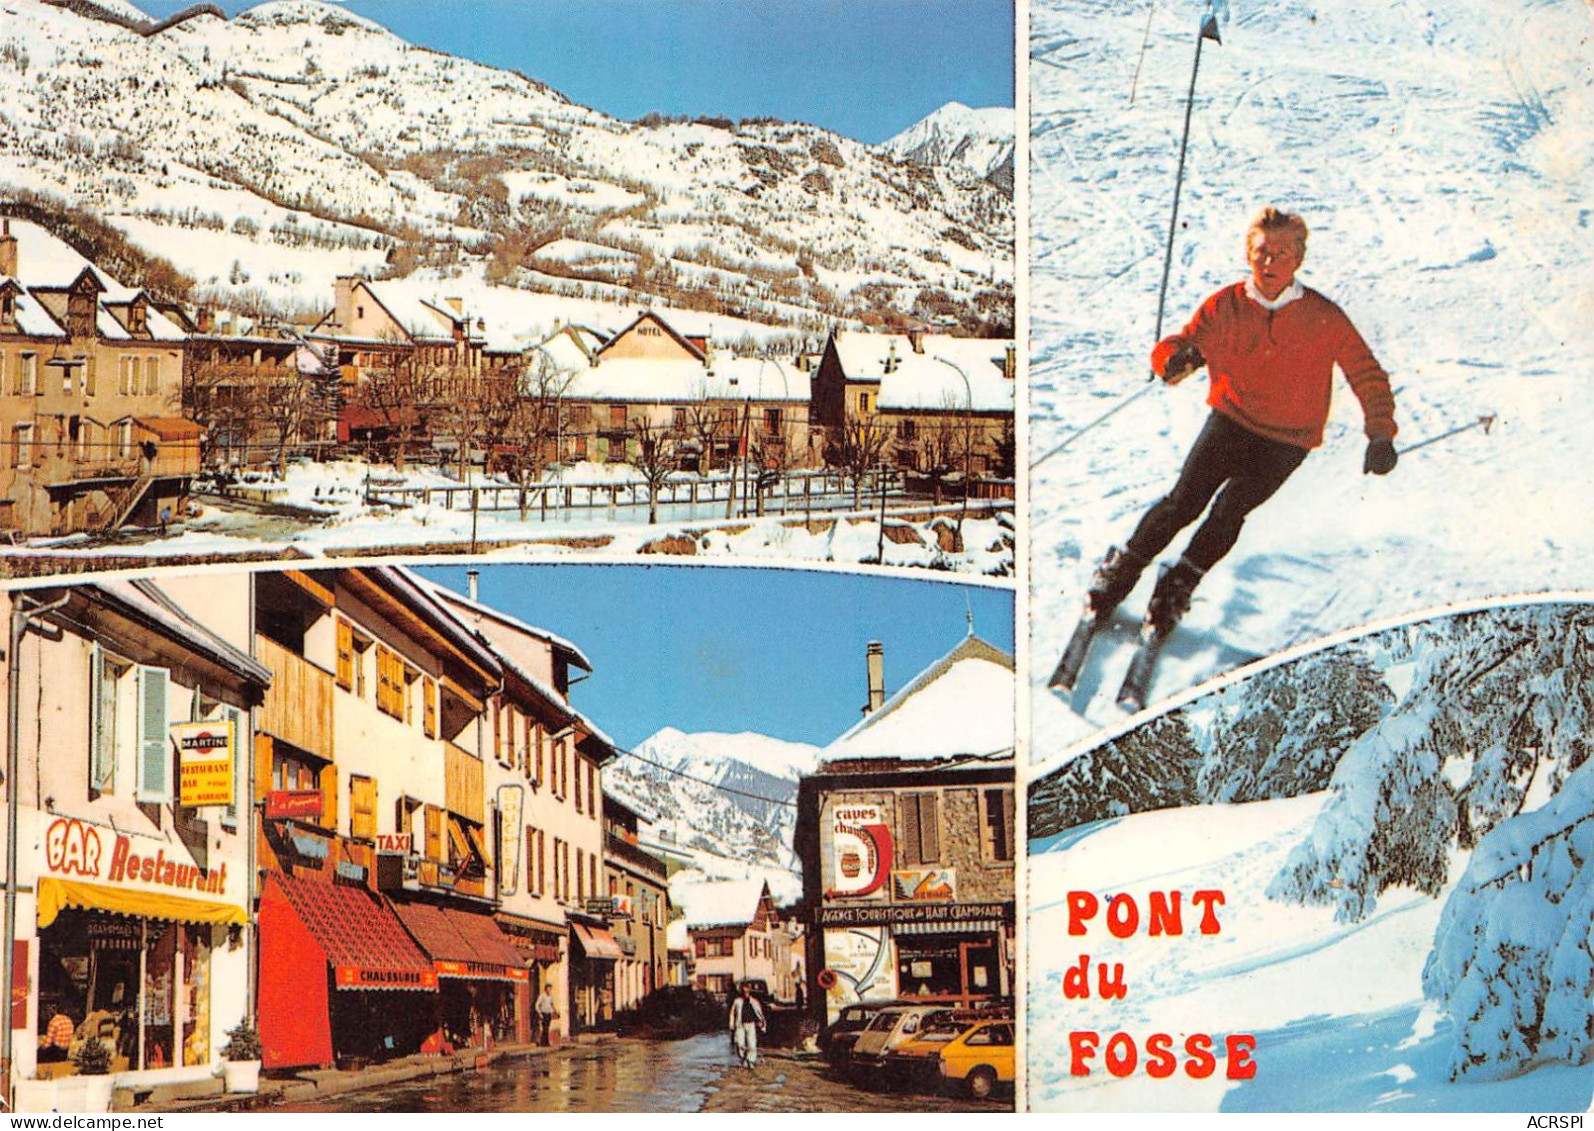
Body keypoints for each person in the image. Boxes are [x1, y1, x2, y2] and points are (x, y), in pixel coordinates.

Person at [1087, 206, 1398, 631]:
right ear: (1248, 254)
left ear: (1299, 259)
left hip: (1289, 440)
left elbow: (1366, 373)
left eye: (1282, 254)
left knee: (1229, 513)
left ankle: (1178, 585)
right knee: (1183, 503)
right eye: (1261, 252)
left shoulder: (1323, 317)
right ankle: (1121, 571)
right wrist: (1175, 359)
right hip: (1232, 421)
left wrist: (1380, 434)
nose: (1270, 264)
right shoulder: (1226, 306)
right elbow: (1181, 344)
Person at [728, 983, 766, 1069]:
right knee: (740, 1043)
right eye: (744, 991)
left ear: (749, 992)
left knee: (752, 1044)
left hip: (751, 1024)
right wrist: (731, 1025)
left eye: (747, 991)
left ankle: (751, 1060)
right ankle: (743, 1058)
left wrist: (761, 1024)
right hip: (740, 1024)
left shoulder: (754, 1002)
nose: (745, 993)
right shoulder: (737, 1002)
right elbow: (732, 1014)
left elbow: (759, 1013)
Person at [535, 982, 558, 1047]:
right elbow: (537, 1005)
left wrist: (555, 1011)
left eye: (550, 989)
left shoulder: (550, 997)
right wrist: (539, 1013)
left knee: (547, 1028)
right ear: (546, 989)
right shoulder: (542, 996)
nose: (549, 990)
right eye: (548, 989)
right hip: (543, 1013)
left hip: (548, 1013)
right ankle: (542, 1042)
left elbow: (552, 1004)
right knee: (544, 1028)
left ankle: (546, 1043)